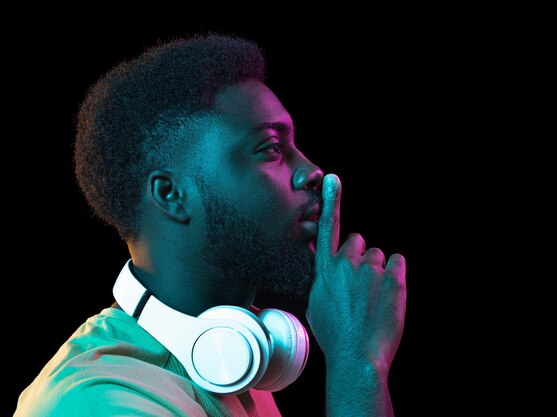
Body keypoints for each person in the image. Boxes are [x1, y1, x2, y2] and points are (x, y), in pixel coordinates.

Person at [14, 34, 406, 416]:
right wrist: (358, 366)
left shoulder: (233, 368)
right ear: (171, 194)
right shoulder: (95, 401)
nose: (311, 171)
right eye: (271, 148)